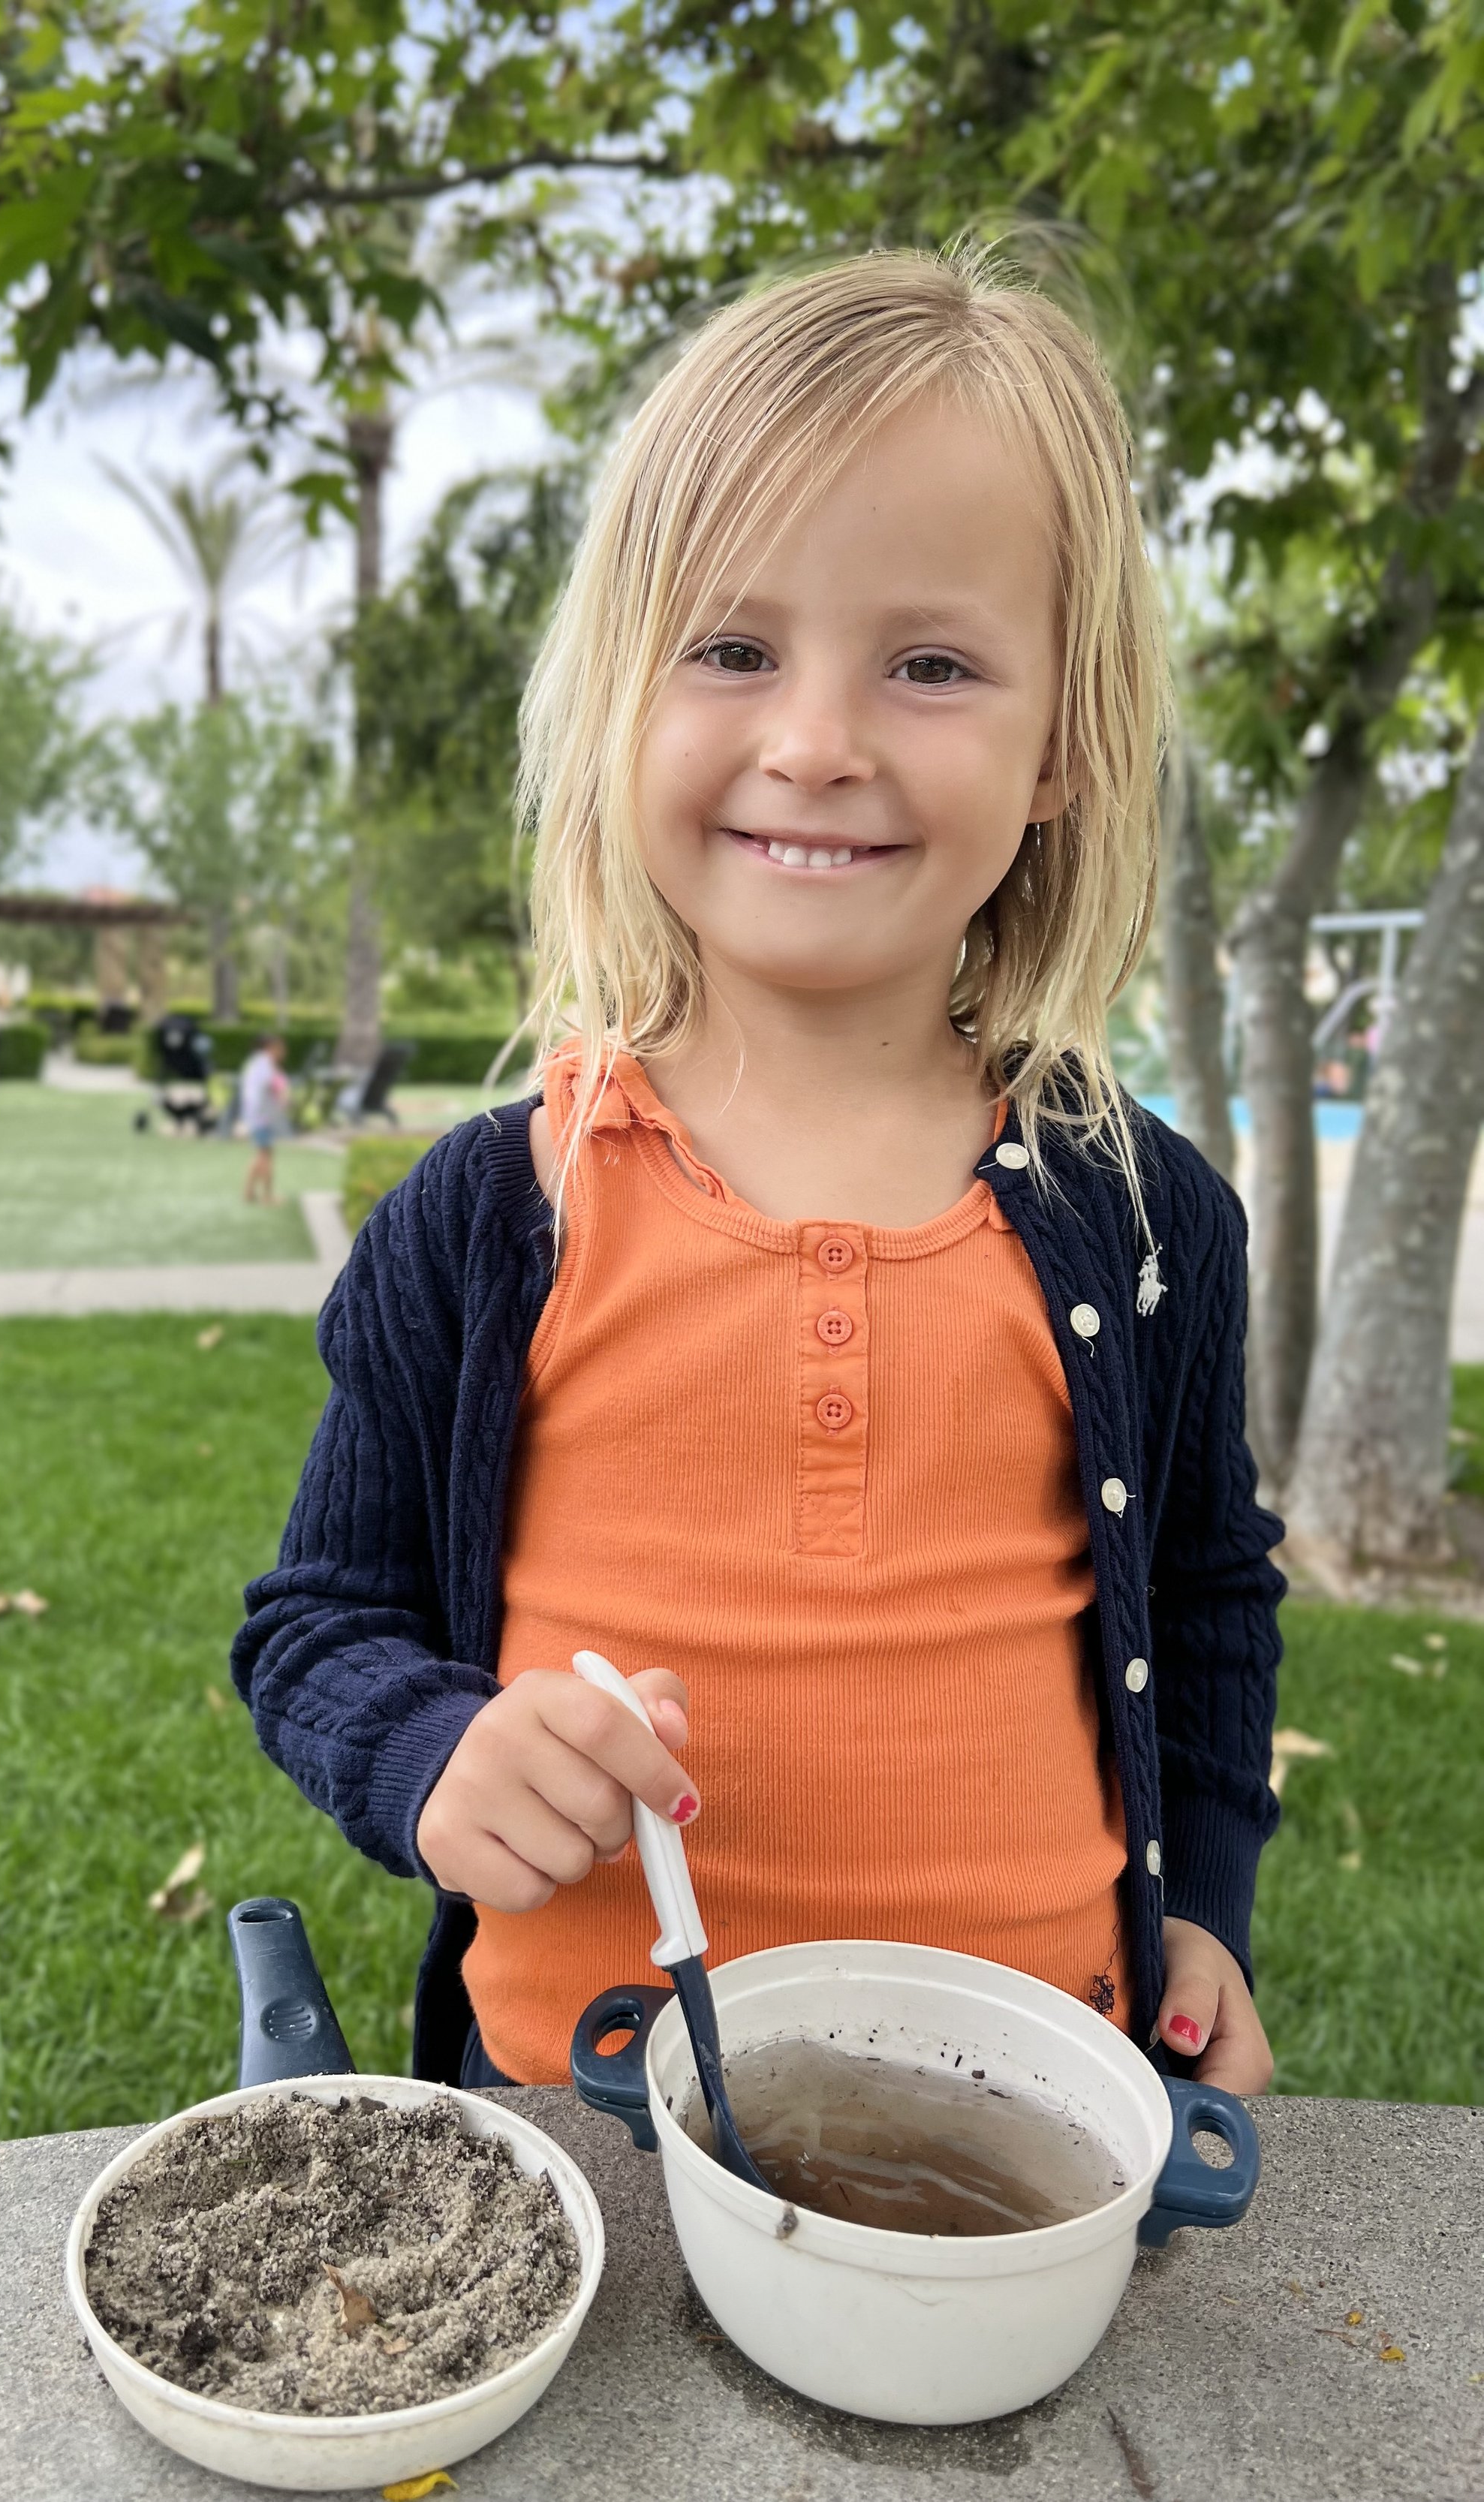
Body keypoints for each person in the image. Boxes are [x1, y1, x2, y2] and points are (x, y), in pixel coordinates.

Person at [233, 251, 1284, 2100]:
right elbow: (315, 1620)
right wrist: (426, 1754)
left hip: (1031, 2123)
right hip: (579, 2132)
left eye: (933, 663)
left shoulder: (1141, 1219)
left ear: (1061, 748)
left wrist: (1199, 1900)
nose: (816, 742)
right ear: (623, 702)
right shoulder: (495, 1216)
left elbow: (1203, 1595)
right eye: (732, 648)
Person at [238, 1034, 290, 1203]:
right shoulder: (264, 1065)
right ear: (271, 1048)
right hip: (262, 1117)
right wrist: (283, 1096)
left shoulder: (258, 1064)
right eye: (281, 1048)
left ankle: (249, 1191)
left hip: (258, 1116)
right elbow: (274, 1086)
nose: (284, 1052)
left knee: (262, 1154)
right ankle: (267, 1195)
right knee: (265, 1155)